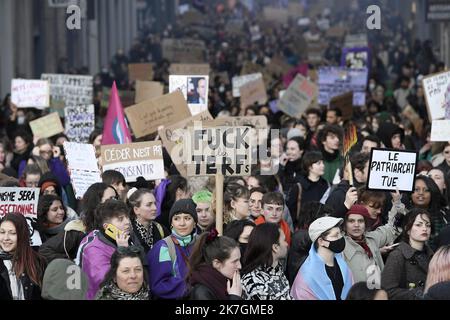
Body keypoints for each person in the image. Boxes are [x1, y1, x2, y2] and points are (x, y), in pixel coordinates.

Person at [38, 183, 118, 263]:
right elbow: (45, 250)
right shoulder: (78, 229)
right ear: (96, 202)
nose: (115, 202)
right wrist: (75, 262)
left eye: (116, 198)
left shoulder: (122, 224)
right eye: (110, 199)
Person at [76, 199, 132, 300]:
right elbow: (107, 281)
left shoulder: (125, 238)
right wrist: (123, 251)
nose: (127, 222)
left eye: (127, 217)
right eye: (120, 219)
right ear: (107, 227)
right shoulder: (93, 248)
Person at [291, 216, 353, 300]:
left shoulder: (342, 264)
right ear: (321, 241)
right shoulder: (307, 275)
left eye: (340, 233)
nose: (341, 237)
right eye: (335, 235)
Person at [147, 199, 197, 299]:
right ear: (171, 223)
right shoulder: (163, 247)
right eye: (176, 218)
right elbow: (159, 284)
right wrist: (191, 288)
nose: (182, 223)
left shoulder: (202, 243)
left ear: (195, 222)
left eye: (187, 218)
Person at [381, 209, 434, 300]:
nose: (425, 228)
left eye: (428, 225)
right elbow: (388, 291)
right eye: (418, 225)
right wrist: (419, 293)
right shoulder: (397, 255)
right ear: (407, 229)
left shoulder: (433, 255)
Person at [342, 204, 403, 283]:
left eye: (360, 221)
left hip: (376, 291)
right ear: (345, 224)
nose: (356, 225)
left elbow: (392, 229)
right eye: (351, 221)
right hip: (354, 294)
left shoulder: (372, 239)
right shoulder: (340, 244)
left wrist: (397, 201)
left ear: (365, 224)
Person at [0, 213, 47, 300]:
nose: (6, 238)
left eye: (12, 233)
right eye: (2, 232)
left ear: (22, 235)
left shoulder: (38, 262)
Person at [287, 202, 334, 285]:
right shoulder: (301, 236)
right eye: (324, 221)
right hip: (302, 286)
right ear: (314, 219)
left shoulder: (302, 233)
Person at [241, 223, 291, 300]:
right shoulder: (256, 284)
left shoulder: (276, 268)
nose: (287, 244)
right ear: (275, 247)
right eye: (284, 240)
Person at [188, 229, 242, 300]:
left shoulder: (224, 282)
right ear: (217, 263)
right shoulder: (202, 292)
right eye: (235, 261)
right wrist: (235, 297)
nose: (240, 266)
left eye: (239, 260)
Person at [127, 188, 169, 255]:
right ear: (136, 210)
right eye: (149, 205)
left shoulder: (161, 229)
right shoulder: (128, 232)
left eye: (155, 203)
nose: (154, 208)